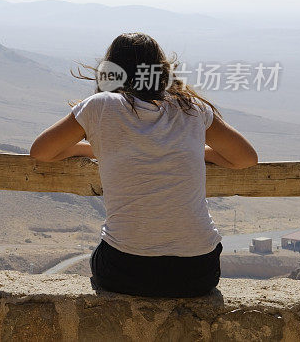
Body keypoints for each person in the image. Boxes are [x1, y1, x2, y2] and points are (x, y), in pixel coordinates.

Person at [30, 32, 257, 297]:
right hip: (198, 271)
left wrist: (97, 148)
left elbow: (41, 151)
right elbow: (246, 158)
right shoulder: (192, 109)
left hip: (125, 270)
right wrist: (193, 151)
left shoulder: (101, 106)